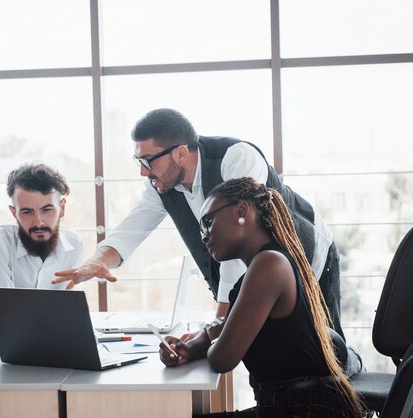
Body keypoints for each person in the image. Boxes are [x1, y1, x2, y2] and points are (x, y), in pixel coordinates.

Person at [53, 108, 345, 341]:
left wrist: (216, 324)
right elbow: (135, 224)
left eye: (148, 160)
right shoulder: (162, 184)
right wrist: (96, 261)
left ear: (180, 152)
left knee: (326, 357)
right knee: (269, 360)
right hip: (258, 283)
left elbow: (238, 246)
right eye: (138, 160)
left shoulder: (236, 158)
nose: (143, 171)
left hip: (310, 259)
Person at [158, 177, 363, 418]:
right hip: (290, 406)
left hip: (306, 410)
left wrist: (210, 340)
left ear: (242, 211)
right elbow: (230, 327)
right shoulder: (262, 266)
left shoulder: (269, 265)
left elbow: (222, 359)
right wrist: (195, 343)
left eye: (208, 223)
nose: (203, 236)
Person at [0, 162, 84, 340]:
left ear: (62, 208)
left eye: (46, 210)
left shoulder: (73, 245)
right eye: (27, 212)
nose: (38, 222)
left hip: (46, 347)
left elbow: (64, 315)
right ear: (14, 213)